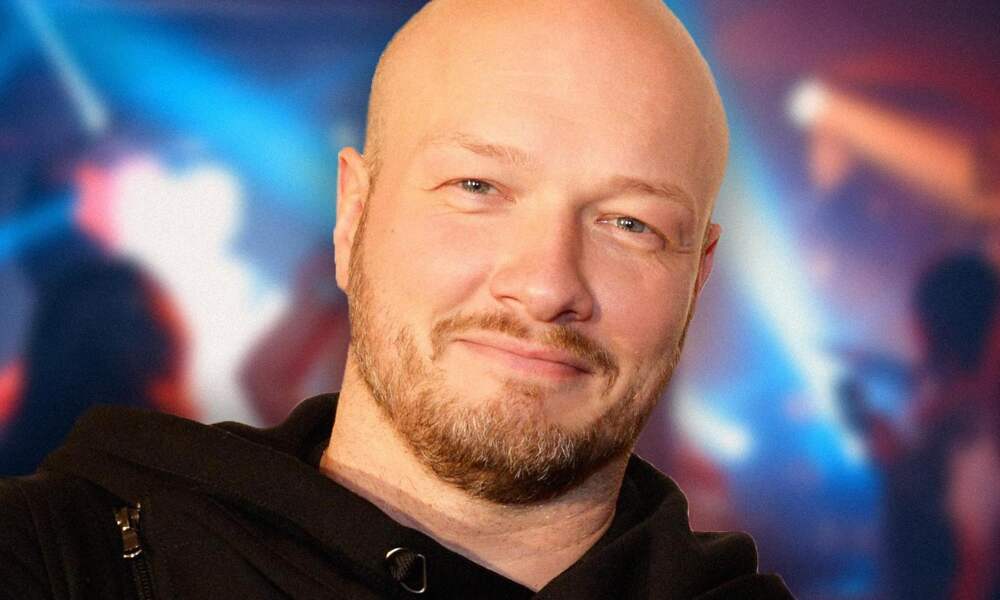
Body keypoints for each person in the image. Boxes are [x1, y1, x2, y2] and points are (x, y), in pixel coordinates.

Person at [0, 1, 794, 598]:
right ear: (354, 216)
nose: (547, 284)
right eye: (477, 187)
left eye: (630, 223)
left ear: (698, 277)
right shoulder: (49, 558)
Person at [840, 253, 1000, 600]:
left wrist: (899, 461)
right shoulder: (943, 408)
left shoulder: (969, 436)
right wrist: (897, 459)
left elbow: (973, 571)